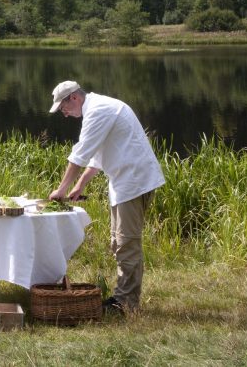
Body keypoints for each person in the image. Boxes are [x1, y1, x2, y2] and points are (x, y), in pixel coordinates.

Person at [47, 80, 165, 314]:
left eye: (63, 108)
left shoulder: (99, 110)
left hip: (134, 181)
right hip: (123, 182)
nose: (65, 114)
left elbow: (79, 155)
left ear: (74, 98)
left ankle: (127, 304)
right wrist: (79, 186)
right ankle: (122, 297)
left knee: (127, 244)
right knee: (117, 243)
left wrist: (61, 190)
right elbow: (96, 157)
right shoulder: (96, 109)